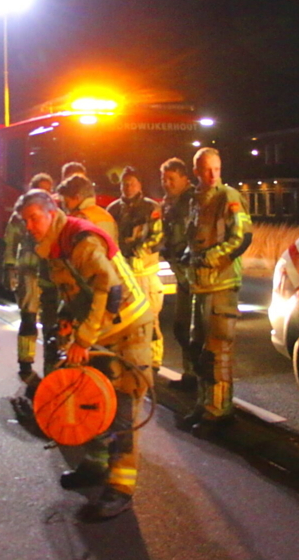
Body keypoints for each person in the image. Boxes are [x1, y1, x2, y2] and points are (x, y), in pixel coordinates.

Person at [17, 189, 154, 520]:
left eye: (34, 218)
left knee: (121, 412)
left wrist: (83, 339)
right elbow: (78, 291)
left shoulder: (80, 241)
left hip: (128, 328)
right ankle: (95, 465)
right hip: (104, 330)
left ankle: (121, 489)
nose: (30, 226)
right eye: (26, 221)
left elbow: (110, 289)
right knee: (90, 401)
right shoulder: (58, 244)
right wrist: (67, 319)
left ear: (52, 213)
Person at [178, 147, 252, 438]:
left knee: (217, 351)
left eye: (217, 169)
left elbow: (242, 236)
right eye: (207, 170)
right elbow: (196, 237)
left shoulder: (228, 197)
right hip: (202, 285)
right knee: (200, 349)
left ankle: (219, 412)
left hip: (221, 284)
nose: (213, 175)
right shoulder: (197, 199)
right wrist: (189, 253)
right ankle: (204, 404)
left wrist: (211, 257)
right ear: (196, 171)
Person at [108, 166, 166, 370]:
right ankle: (128, 358)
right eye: (125, 184)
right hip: (122, 276)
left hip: (145, 275)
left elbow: (158, 237)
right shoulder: (113, 209)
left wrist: (136, 251)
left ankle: (155, 361)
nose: (128, 187)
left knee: (151, 319)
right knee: (123, 320)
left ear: (139, 185)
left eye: (132, 183)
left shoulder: (151, 208)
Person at [3, 173, 60, 378]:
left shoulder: (54, 213)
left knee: (52, 322)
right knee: (28, 317)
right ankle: (25, 362)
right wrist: (9, 268)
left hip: (51, 274)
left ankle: (51, 363)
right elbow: (11, 242)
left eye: (48, 188)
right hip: (28, 273)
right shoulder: (21, 216)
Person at [160, 157, 197, 391]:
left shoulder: (194, 200)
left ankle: (200, 379)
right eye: (164, 179)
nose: (167, 183)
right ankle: (190, 375)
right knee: (182, 328)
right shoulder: (169, 203)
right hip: (182, 275)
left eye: (172, 179)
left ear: (185, 178)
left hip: (195, 274)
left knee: (194, 330)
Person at [56, 174, 119, 242]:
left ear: (77, 197)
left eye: (66, 202)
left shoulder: (79, 218)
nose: (64, 206)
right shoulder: (106, 215)